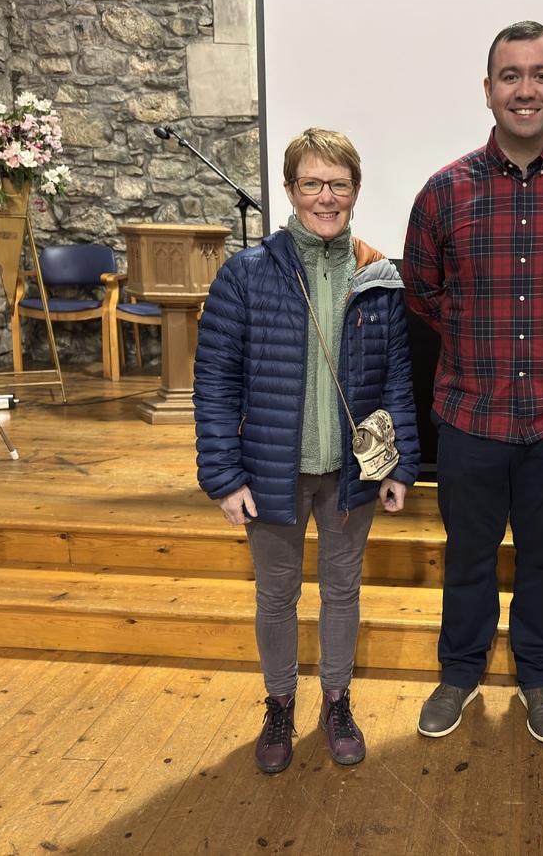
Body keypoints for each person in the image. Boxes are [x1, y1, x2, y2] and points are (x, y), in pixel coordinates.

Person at [403, 20, 543, 745]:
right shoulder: (443, 193)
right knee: (468, 558)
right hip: (470, 417)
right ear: (488, 90)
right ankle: (461, 673)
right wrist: (481, 343)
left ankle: (538, 678)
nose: (524, 89)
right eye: (511, 75)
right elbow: (424, 293)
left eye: (539, 75)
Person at [194, 127, 420, 774]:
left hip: (349, 476)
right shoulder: (247, 274)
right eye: (312, 183)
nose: (326, 196)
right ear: (290, 190)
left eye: (338, 184)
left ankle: (337, 699)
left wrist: (396, 465)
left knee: (342, 591)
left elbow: (396, 380)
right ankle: (280, 702)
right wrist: (222, 474)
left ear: (355, 190)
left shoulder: (378, 274)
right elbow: (213, 382)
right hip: (271, 472)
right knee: (276, 595)